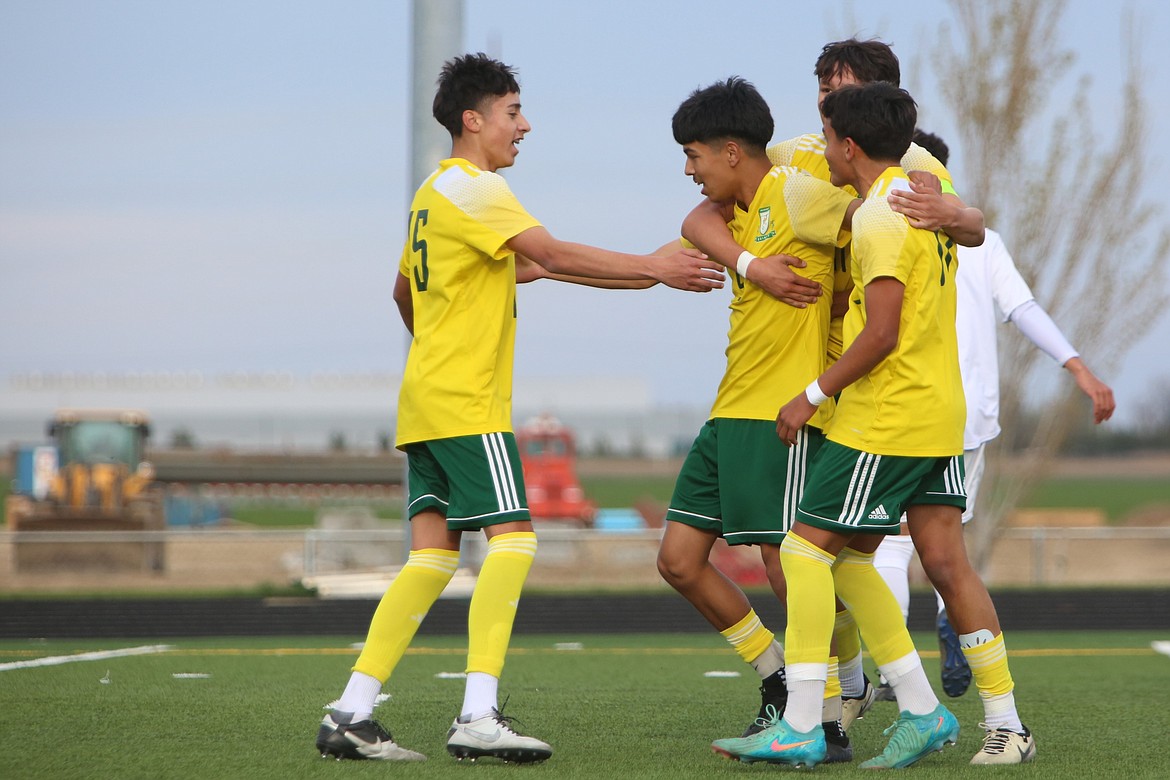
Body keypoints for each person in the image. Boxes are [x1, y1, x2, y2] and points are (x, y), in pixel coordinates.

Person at [315, 52, 724, 764]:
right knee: (515, 541)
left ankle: (351, 711)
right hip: (468, 407)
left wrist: (658, 266)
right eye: (513, 112)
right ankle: (477, 714)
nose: (525, 126)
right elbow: (555, 255)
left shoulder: (432, 194)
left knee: (432, 561)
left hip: (424, 405)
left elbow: (409, 293)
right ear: (472, 121)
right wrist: (657, 268)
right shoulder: (478, 191)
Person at [681, 37, 987, 735]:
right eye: (821, 86)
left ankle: (837, 713)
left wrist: (957, 215)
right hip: (839, 387)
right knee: (823, 556)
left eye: (837, 89)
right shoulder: (794, 157)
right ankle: (864, 700)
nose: (823, 100)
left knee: (839, 555)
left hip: (863, 390)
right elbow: (708, 212)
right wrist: (749, 263)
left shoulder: (908, 177)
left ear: (868, 107)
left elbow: (963, 232)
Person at [656, 77, 860, 762]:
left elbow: (868, 218)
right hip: (727, 413)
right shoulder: (736, 212)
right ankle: (777, 678)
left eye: (694, 155)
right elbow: (693, 222)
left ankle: (827, 717)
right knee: (679, 561)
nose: (689, 169)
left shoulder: (797, 191)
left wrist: (840, 301)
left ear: (734, 151)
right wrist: (753, 266)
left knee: (787, 566)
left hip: (782, 413)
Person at [873, 130, 1115, 706]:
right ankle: (952, 628)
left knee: (887, 546)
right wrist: (1078, 367)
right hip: (968, 418)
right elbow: (1022, 307)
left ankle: (893, 673)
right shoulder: (983, 241)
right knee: (943, 546)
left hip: (904, 410)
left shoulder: (883, 232)